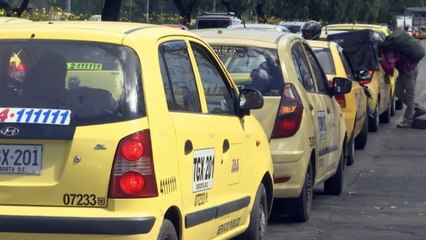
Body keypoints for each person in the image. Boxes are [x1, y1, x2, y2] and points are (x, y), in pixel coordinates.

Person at [381, 47, 426, 128]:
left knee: (409, 95)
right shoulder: (391, 47)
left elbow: (391, 69)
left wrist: (383, 61)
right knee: (397, 91)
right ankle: (417, 108)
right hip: (403, 71)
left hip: (409, 70)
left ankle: (408, 120)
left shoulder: (388, 51)